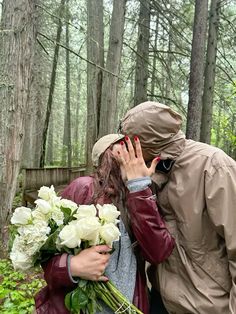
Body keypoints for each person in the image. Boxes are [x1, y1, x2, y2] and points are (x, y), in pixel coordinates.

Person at [34, 133, 175, 314]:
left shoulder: (142, 190)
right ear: (106, 155)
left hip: (130, 304)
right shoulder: (84, 188)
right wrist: (71, 266)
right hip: (84, 306)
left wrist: (139, 188)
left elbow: (159, 252)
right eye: (124, 147)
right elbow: (46, 253)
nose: (133, 154)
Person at [119, 101, 236, 314]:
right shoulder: (145, 171)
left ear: (143, 144)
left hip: (207, 305)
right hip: (161, 300)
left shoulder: (213, 166)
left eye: (130, 143)